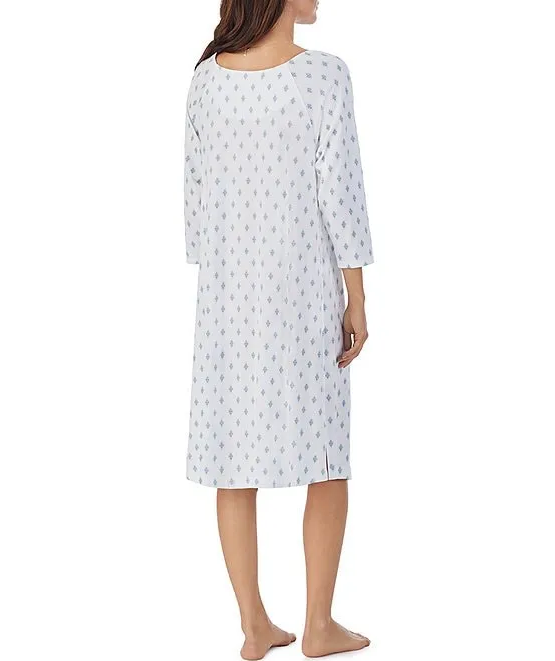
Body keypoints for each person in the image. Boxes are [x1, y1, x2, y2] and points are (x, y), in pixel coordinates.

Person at [183, 0, 374, 658]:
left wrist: (219, 266)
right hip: (303, 293)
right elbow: (340, 193)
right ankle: (318, 625)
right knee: (327, 457)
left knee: (231, 461)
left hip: (226, 301)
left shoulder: (206, 78)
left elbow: (195, 196)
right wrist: (356, 297)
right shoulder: (323, 75)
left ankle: (254, 625)